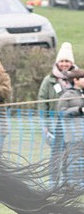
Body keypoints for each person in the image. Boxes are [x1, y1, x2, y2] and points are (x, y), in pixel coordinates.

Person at [38, 41, 76, 183]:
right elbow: (43, 103)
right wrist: (45, 124)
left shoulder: (78, 79)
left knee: (72, 155)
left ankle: (69, 182)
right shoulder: (49, 81)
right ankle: (53, 182)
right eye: (62, 61)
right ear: (57, 62)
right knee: (56, 154)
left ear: (71, 63)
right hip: (56, 124)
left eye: (67, 61)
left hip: (74, 125)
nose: (64, 64)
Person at [56, 68, 84, 185]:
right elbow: (61, 112)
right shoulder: (67, 95)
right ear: (76, 80)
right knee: (73, 161)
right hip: (73, 135)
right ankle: (70, 184)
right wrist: (79, 110)